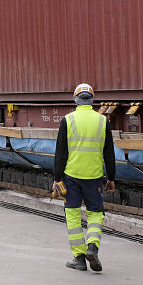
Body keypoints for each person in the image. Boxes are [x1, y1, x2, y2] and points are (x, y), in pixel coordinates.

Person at [52, 83, 115, 272]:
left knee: (72, 214)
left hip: (71, 176)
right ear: (92, 100)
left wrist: (56, 178)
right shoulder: (102, 121)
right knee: (95, 213)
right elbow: (109, 153)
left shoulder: (67, 120)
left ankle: (79, 258)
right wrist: (111, 177)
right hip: (94, 177)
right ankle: (92, 247)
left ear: (76, 100)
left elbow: (61, 153)